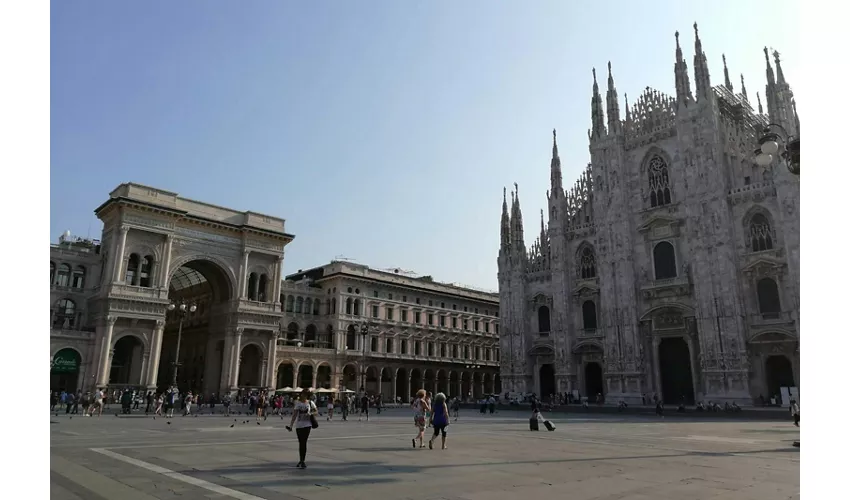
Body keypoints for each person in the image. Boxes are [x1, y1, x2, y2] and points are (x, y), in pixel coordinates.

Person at [287, 388, 317, 469]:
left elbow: (316, 412)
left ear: (307, 396)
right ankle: (301, 460)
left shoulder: (310, 403)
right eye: (302, 394)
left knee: (303, 442)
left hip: (307, 425)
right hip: (299, 425)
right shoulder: (298, 403)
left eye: (305, 394)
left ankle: (302, 460)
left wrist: (310, 413)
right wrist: (291, 426)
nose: (303, 395)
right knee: (301, 443)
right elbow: (294, 415)